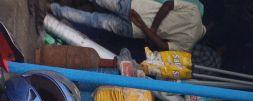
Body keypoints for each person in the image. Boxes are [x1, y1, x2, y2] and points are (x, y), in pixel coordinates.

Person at [49, 1, 206, 53]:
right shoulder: (187, 46)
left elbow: (168, 5)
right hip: (135, 29)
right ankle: (53, 9)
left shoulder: (194, 12)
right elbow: (161, 46)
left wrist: (151, 27)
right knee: (94, 20)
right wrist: (146, 28)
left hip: (136, 5)